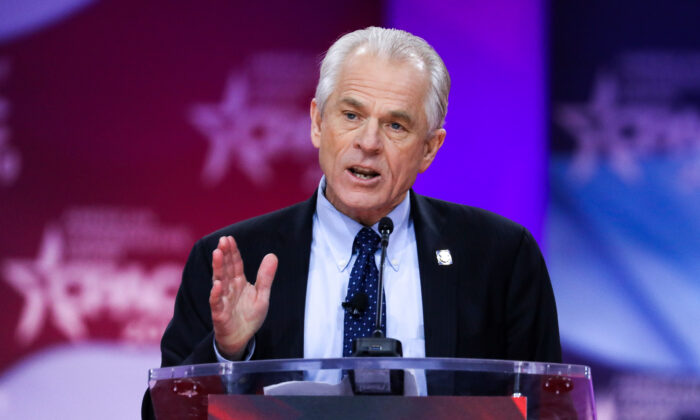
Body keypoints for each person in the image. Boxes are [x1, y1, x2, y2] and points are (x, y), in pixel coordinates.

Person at [143, 26, 561, 418]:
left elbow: (552, 408)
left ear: (430, 149)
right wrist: (227, 351)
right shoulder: (233, 262)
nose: (368, 143)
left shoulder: (500, 258)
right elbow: (159, 414)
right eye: (351, 115)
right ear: (317, 122)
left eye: (396, 125)